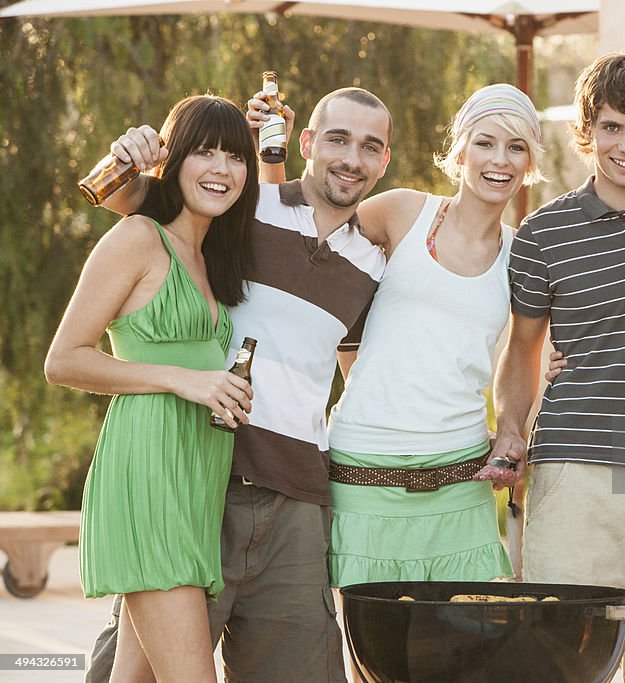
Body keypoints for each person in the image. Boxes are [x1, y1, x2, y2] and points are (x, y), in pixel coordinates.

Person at [83, 86, 393, 682]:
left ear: (384, 161)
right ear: (305, 142)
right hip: (200, 481)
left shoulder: (374, 265)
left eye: (370, 146)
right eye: (337, 138)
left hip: (297, 504)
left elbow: (363, 376)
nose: (352, 157)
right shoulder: (239, 206)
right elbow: (133, 201)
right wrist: (127, 154)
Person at [491, 52, 625, 682]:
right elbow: (523, 349)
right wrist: (510, 429)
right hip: (576, 473)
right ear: (587, 132)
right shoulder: (543, 233)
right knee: (564, 664)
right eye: (611, 127)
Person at [44, 95, 259, 682]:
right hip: (148, 475)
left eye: (235, 156)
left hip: (196, 483)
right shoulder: (139, 237)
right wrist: (185, 379)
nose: (221, 168)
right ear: (173, 159)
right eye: (205, 152)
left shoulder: (210, 254)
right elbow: (63, 361)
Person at [319, 83, 544, 586]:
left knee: (461, 648)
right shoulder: (400, 211)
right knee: (371, 647)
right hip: (362, 463)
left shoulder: (523, 253)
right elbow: (311, 245)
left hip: (462, 475)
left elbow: (522, 352)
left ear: (529, 163)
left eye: (516, 147)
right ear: (460, 150)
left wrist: (511, 431)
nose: (499, 160)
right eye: (485, 143)